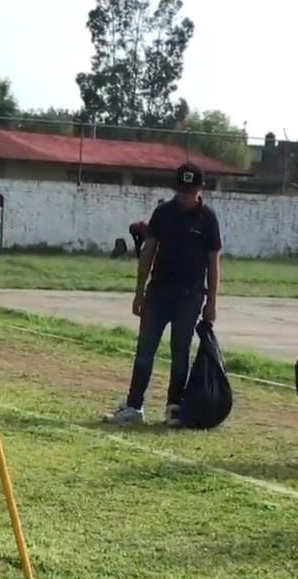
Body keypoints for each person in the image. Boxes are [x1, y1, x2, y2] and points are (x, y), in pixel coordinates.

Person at [104, 164, 221, 427]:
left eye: (190, 192)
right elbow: (149, 251)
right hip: (158, 292)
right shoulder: (163, 213)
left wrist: (212, 302)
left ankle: (174, 407)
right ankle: (134, 406)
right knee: (145, 350)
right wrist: (139, 291)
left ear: (200, 190)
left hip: (190, 296)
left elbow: (214, 263)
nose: (185, 196)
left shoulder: (208, 219)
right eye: (181, 191)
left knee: (180, 353)